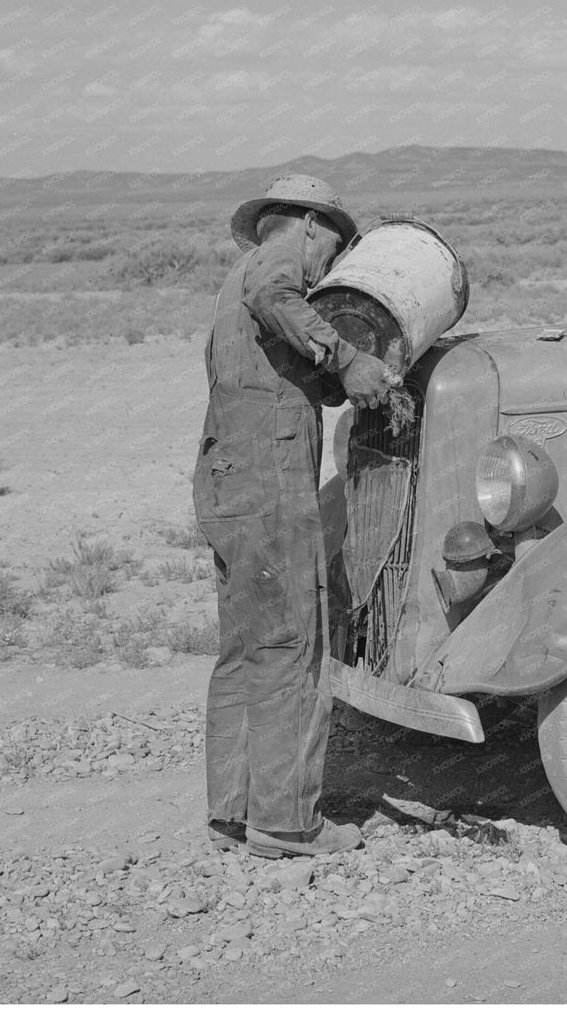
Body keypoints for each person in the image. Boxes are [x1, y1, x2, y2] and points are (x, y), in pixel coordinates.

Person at [193, 174, 393, 859]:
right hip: (271, 486)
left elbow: (280, 367)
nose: (327, 267)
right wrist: (344, 353)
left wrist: (347, 376)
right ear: (307, 225)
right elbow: (278, 295)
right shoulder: (275, 267)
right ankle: (287, 823)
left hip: (226, 482)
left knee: (245, 652)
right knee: (293, 647)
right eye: (329, 249)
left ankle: (233, 812)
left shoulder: (231, 288)